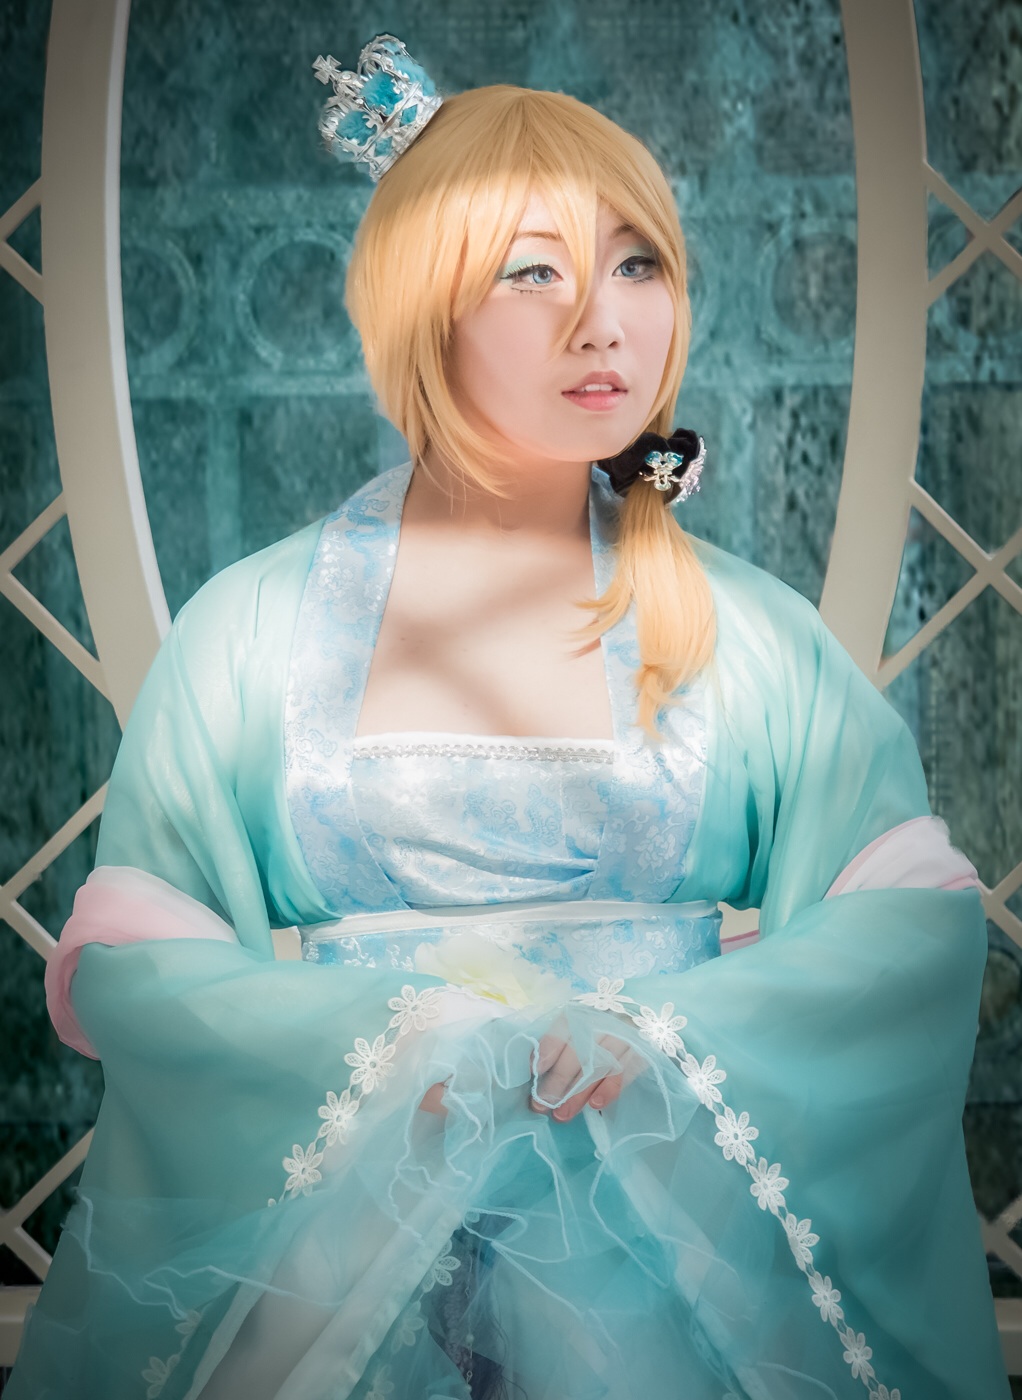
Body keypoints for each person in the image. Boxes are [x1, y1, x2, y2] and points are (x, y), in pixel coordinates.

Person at [8, 34, 1010, 1400]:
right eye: (534, 273)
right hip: (344, 1289)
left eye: (637, 265)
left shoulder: (747, 636)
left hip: (667, 1295)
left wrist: (663, 1043)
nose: (603, 322)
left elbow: (902, 928)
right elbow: (145, 959)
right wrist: (384, 1050)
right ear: (422, 306)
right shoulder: (250, 634)